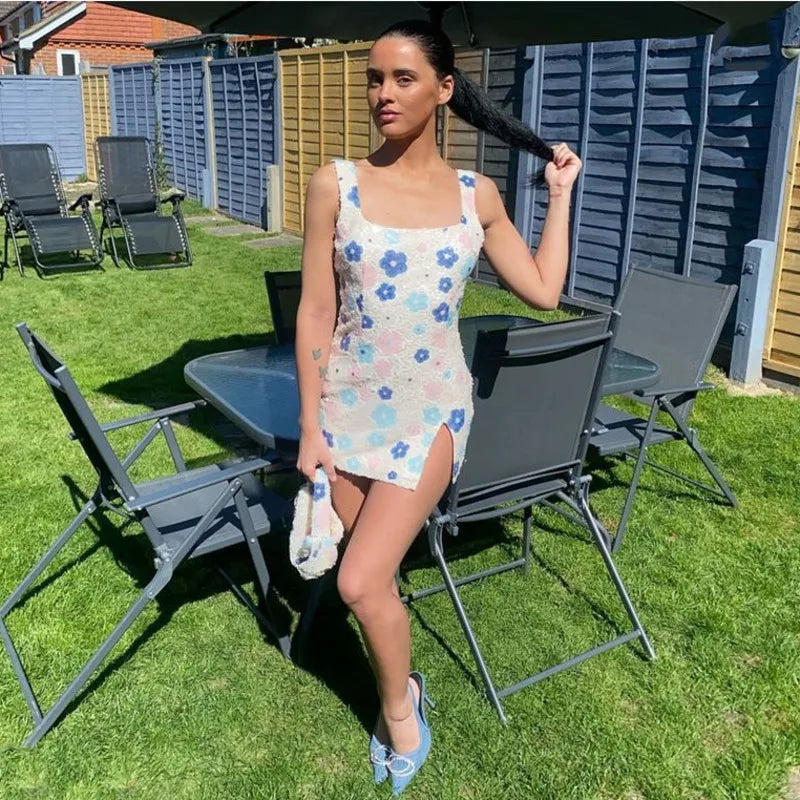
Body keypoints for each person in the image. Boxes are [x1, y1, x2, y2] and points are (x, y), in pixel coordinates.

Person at [295, 18, 581, 795]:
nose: (382, 93)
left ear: (445, 90)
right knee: (373, 577)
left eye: (402, 78)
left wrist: (558, 196)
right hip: (349, 406)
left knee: (356, 582)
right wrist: (312, 425)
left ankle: (400, 712)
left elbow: (544, 290)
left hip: (432, 413)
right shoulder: (337, 184)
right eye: (374, 78)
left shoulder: (474, 194)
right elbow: (316, 314)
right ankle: (403, 681)